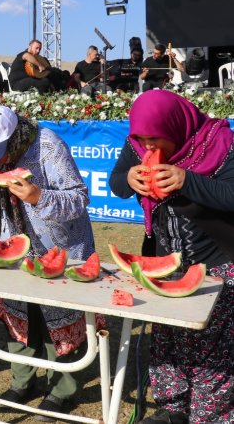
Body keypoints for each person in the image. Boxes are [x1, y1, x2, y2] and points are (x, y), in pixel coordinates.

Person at [0, 105, 96, 418]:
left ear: (12, 137)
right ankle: (22, 383)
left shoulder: (48, 145)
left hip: (60, 249)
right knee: (18, 317)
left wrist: (39, 197)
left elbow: (79, 197)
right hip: (12, 247)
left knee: (57, 320)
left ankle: (61, 390)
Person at [109, 91, 233, 424]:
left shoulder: (221, 142)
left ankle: (210, 415)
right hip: (165, 260)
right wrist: (131, 178)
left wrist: (188, 180)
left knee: (213, 351)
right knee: (167, 340)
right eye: (142, 140)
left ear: (176, 126)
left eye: (154, 139)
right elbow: (117, 183)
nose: (148, 148)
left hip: (219, 259)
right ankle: (173, 408)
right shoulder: (138, 144)